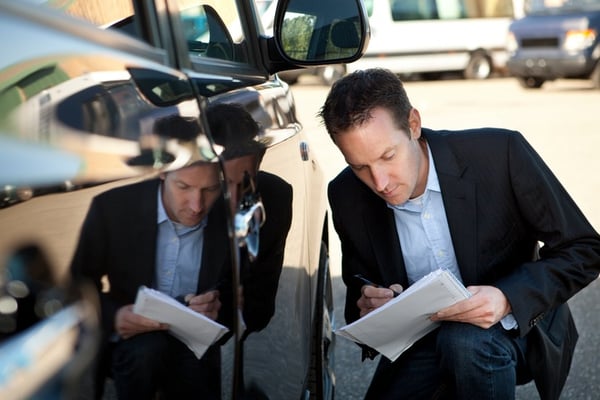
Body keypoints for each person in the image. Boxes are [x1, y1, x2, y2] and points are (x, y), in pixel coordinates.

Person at [318, 68, 600, 400]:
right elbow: (357, 280)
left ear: (413, 124)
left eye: (388, 156)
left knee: (464, 342)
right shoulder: (346, 194)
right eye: (360, 166)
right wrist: (367, 299)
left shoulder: (500, 153)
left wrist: (506, 297)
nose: (379, 182)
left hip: (517, 327)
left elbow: (585, 248)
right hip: (423, 339)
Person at [71, 158, 229, 400]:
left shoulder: (230, 213)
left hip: (196, 342)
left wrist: (219, 306)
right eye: (184, 187)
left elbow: (246, 289)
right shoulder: (112, 208)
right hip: (133, 341)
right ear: (162, 172)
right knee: (147, 350)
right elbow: (77, 285)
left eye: (210, 189)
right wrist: (115, 316)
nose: (197, 206)